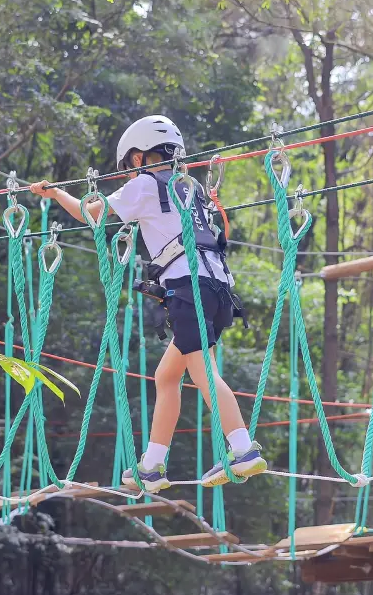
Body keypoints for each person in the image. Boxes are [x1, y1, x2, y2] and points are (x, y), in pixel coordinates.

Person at [30, 115, 267, 492]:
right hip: (217, 293)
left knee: (203, 373)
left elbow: (94, 215)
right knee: (167, 375)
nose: (128, 175)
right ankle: (152, 466)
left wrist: (57, 193)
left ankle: (242, 448)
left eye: (129, 167)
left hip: (190, 291)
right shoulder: (192, 188)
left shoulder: (145, 184)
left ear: (139, 159)